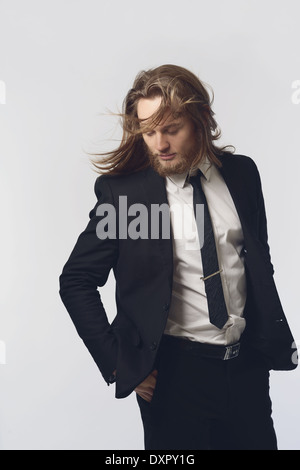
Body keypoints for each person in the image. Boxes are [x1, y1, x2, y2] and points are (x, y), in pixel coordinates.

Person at [59, 64, 297, 450]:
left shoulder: (241, 175)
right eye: (149, 132)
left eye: (171, 130)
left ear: (201, 119)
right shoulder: (128, 198)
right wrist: (119, 363)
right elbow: (76, 280)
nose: (159, 144)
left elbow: (258, 261)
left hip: (246, 371)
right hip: (174, 377)